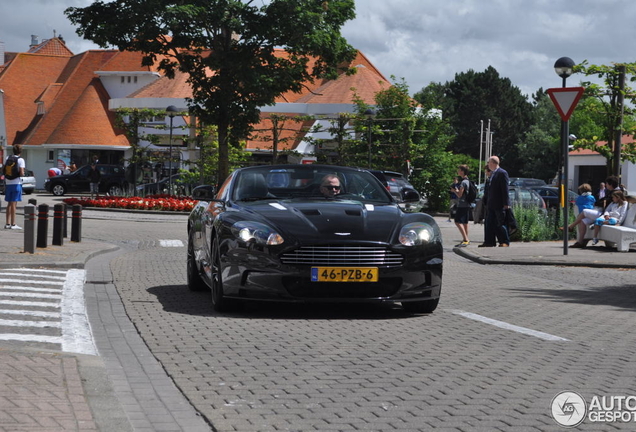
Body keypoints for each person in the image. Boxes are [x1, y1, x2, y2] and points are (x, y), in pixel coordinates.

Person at [481, 156, 510, 247]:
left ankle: (504, 241)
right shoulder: (493, 174)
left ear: (493, 163)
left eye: (489, 162)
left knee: (500, 223)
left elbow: (505, 189)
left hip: (499, 204)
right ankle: (489, 242)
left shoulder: (502, 173)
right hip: (491, 204)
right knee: (489, 223)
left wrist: (506, 203)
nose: (488, 165)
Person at [568, 183, 597, 248]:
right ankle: (580, 241)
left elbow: (576, 205)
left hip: (582, 213)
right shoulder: (592, 197)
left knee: (580, 218)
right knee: (581, 221)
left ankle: (571, 227)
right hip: (590, 215)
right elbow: (594, 205)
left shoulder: (579, 198)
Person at [4, 144, 26, 230]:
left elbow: (3, 170)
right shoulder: (21, 160)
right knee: (14, 203)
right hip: (16, 183)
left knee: (9, 203)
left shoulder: (7, 158)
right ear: (20, 151)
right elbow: (21, 172)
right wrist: (23, 174)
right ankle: (13, 224)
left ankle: (7, 223)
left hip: (8, 182)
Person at [451, 165, 471, 247]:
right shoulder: (468, 181)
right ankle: (465, 239)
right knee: (465, 222)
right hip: (467, 204)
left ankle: (466, 239)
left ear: (462, 171)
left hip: (462, 204)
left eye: (459, 170)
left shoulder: (463, 182)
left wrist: (454, 191)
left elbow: (459, 195)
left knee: (457, 221)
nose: (458, 171)